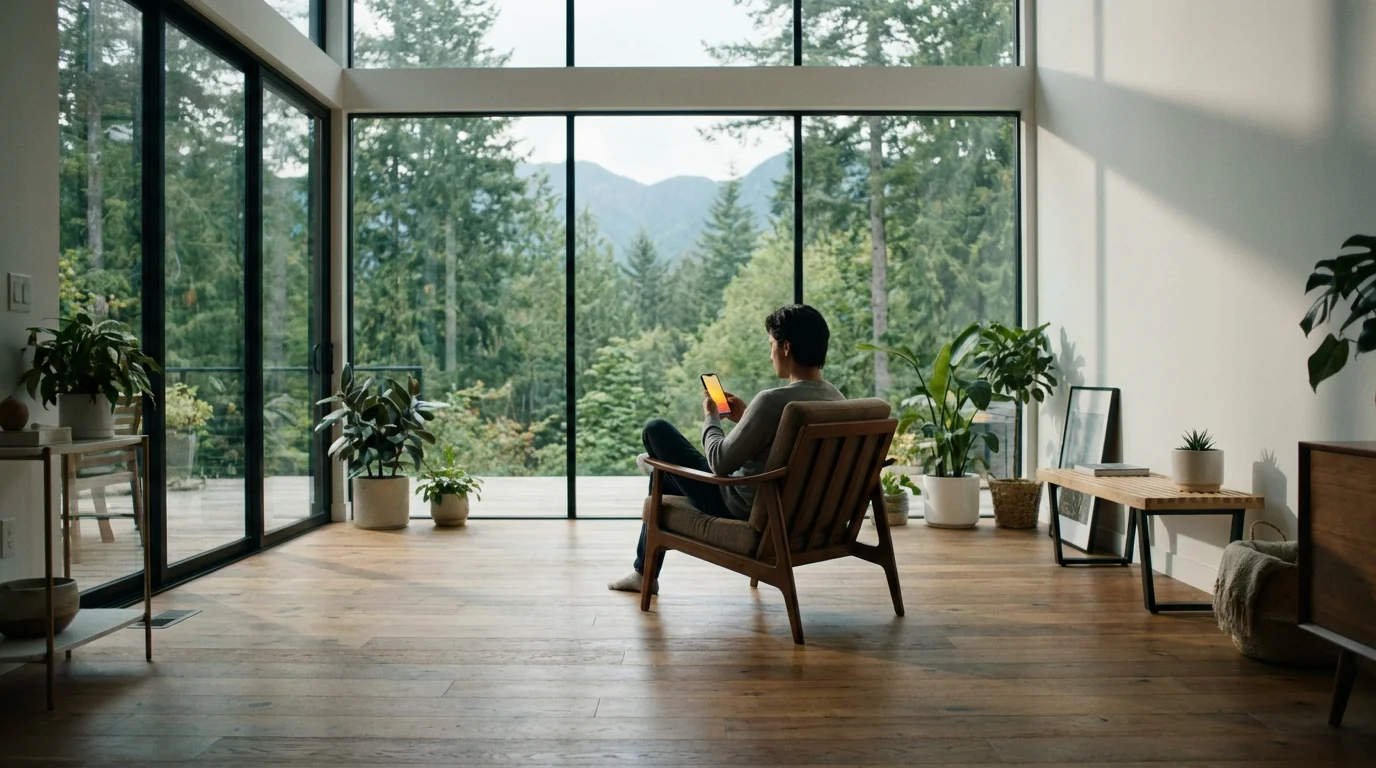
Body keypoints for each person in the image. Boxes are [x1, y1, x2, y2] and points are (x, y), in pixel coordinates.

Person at [608, 304, 844, 594]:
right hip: (802, 514)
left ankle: (644, 563)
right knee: (664, 465)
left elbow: (720, 462)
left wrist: (711, 416)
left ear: (786, 347)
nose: (769, 354)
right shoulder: (838, 401)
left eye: (771, 344)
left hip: (737, 502)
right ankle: (659, 469)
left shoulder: (772, 401)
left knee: (656, 430)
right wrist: (747, 418)